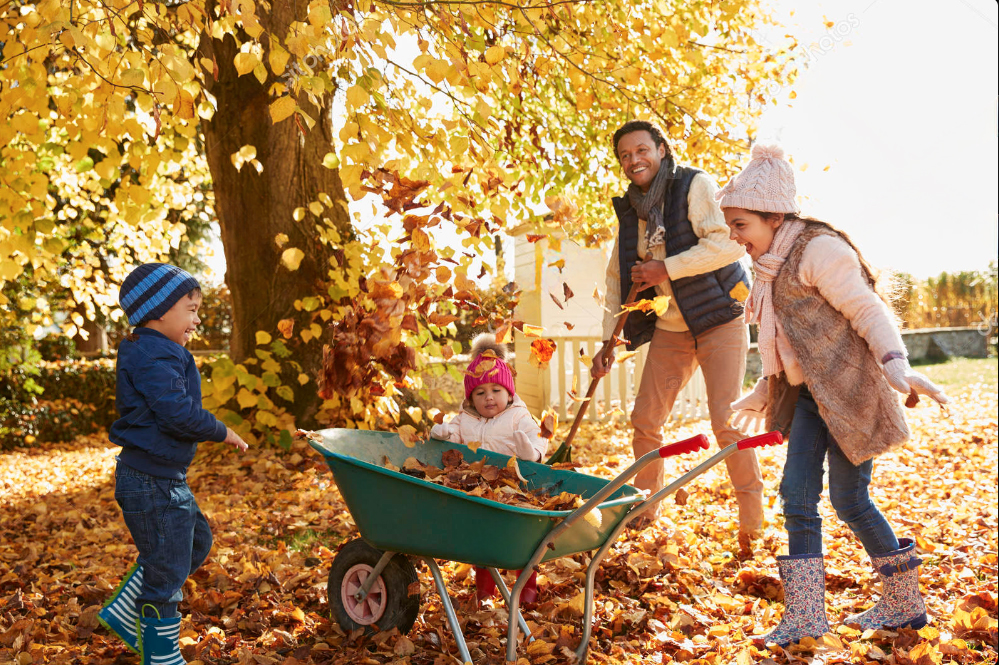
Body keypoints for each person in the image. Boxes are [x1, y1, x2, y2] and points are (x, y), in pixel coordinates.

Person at [720, 144, 948, 645]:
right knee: (796, 497)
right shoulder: (770, 266)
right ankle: (805, 617)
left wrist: (897, 365)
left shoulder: (819, 250)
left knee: (850, 500)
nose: (736, 238)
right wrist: (764, 389)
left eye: (741, 225)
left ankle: (904, 604)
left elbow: (868, 312)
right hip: (809, 399)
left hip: (848, 393)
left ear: (773, 216)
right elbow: (793, 342)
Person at [593, 120, 764, 545]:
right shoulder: (631, 209)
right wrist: (607, 341)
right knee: (645, 419)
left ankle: (751, 521)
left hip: (719, 317)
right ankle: (647, 508)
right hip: (672, 326)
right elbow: (618, 278)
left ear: (662, 150)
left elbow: (727, 243)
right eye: (625, 156)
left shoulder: (693, 185)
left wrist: (665, 267)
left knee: (726, 419)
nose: (634, 160)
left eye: (641, 150)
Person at [97, 263, 248, 663]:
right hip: (150, 481)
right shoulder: (151, 354)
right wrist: (220, 430)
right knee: (166, 574)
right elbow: (175, 412)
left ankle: (129, 611)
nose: (197, 320)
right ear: (159, 310)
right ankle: (161, 653)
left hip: (163, 478)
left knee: (196, 542)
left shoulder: (160, 350)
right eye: (191, 309)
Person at [430, 333, 547, 604]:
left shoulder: (518, 415)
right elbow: (453, 437)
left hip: (514, 488)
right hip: (478, 490)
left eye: (496, 390)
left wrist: (530, 451)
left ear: (509, 392)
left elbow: (538, 434)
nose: (489, 398)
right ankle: (484, 589)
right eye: (480, 393)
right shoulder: (465, 419)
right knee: (482, 541)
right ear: (471, 398)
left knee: (522, 540)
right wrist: (442, 433)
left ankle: (527, 584)